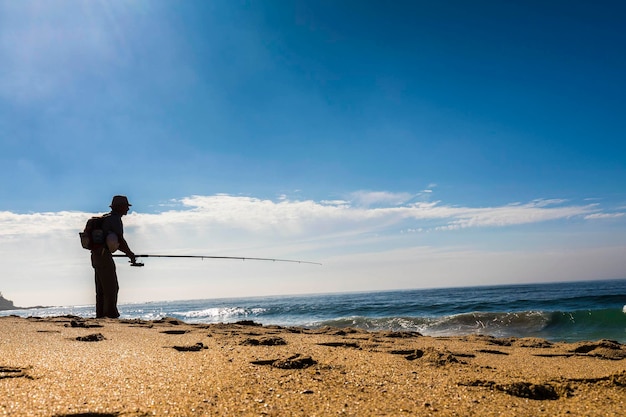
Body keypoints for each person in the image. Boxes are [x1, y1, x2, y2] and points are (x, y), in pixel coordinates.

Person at [91, 195, 136, 318]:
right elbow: (120, 240)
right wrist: (130, 254)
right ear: (120, 207)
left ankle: (101, 315)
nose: (127, 209)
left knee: (101, 289)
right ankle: (110, 314)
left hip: (96, 256)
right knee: (111, 287)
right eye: (126, 207)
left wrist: (128, 253)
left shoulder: (106, 218)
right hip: (104, 255)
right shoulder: (115, 220)